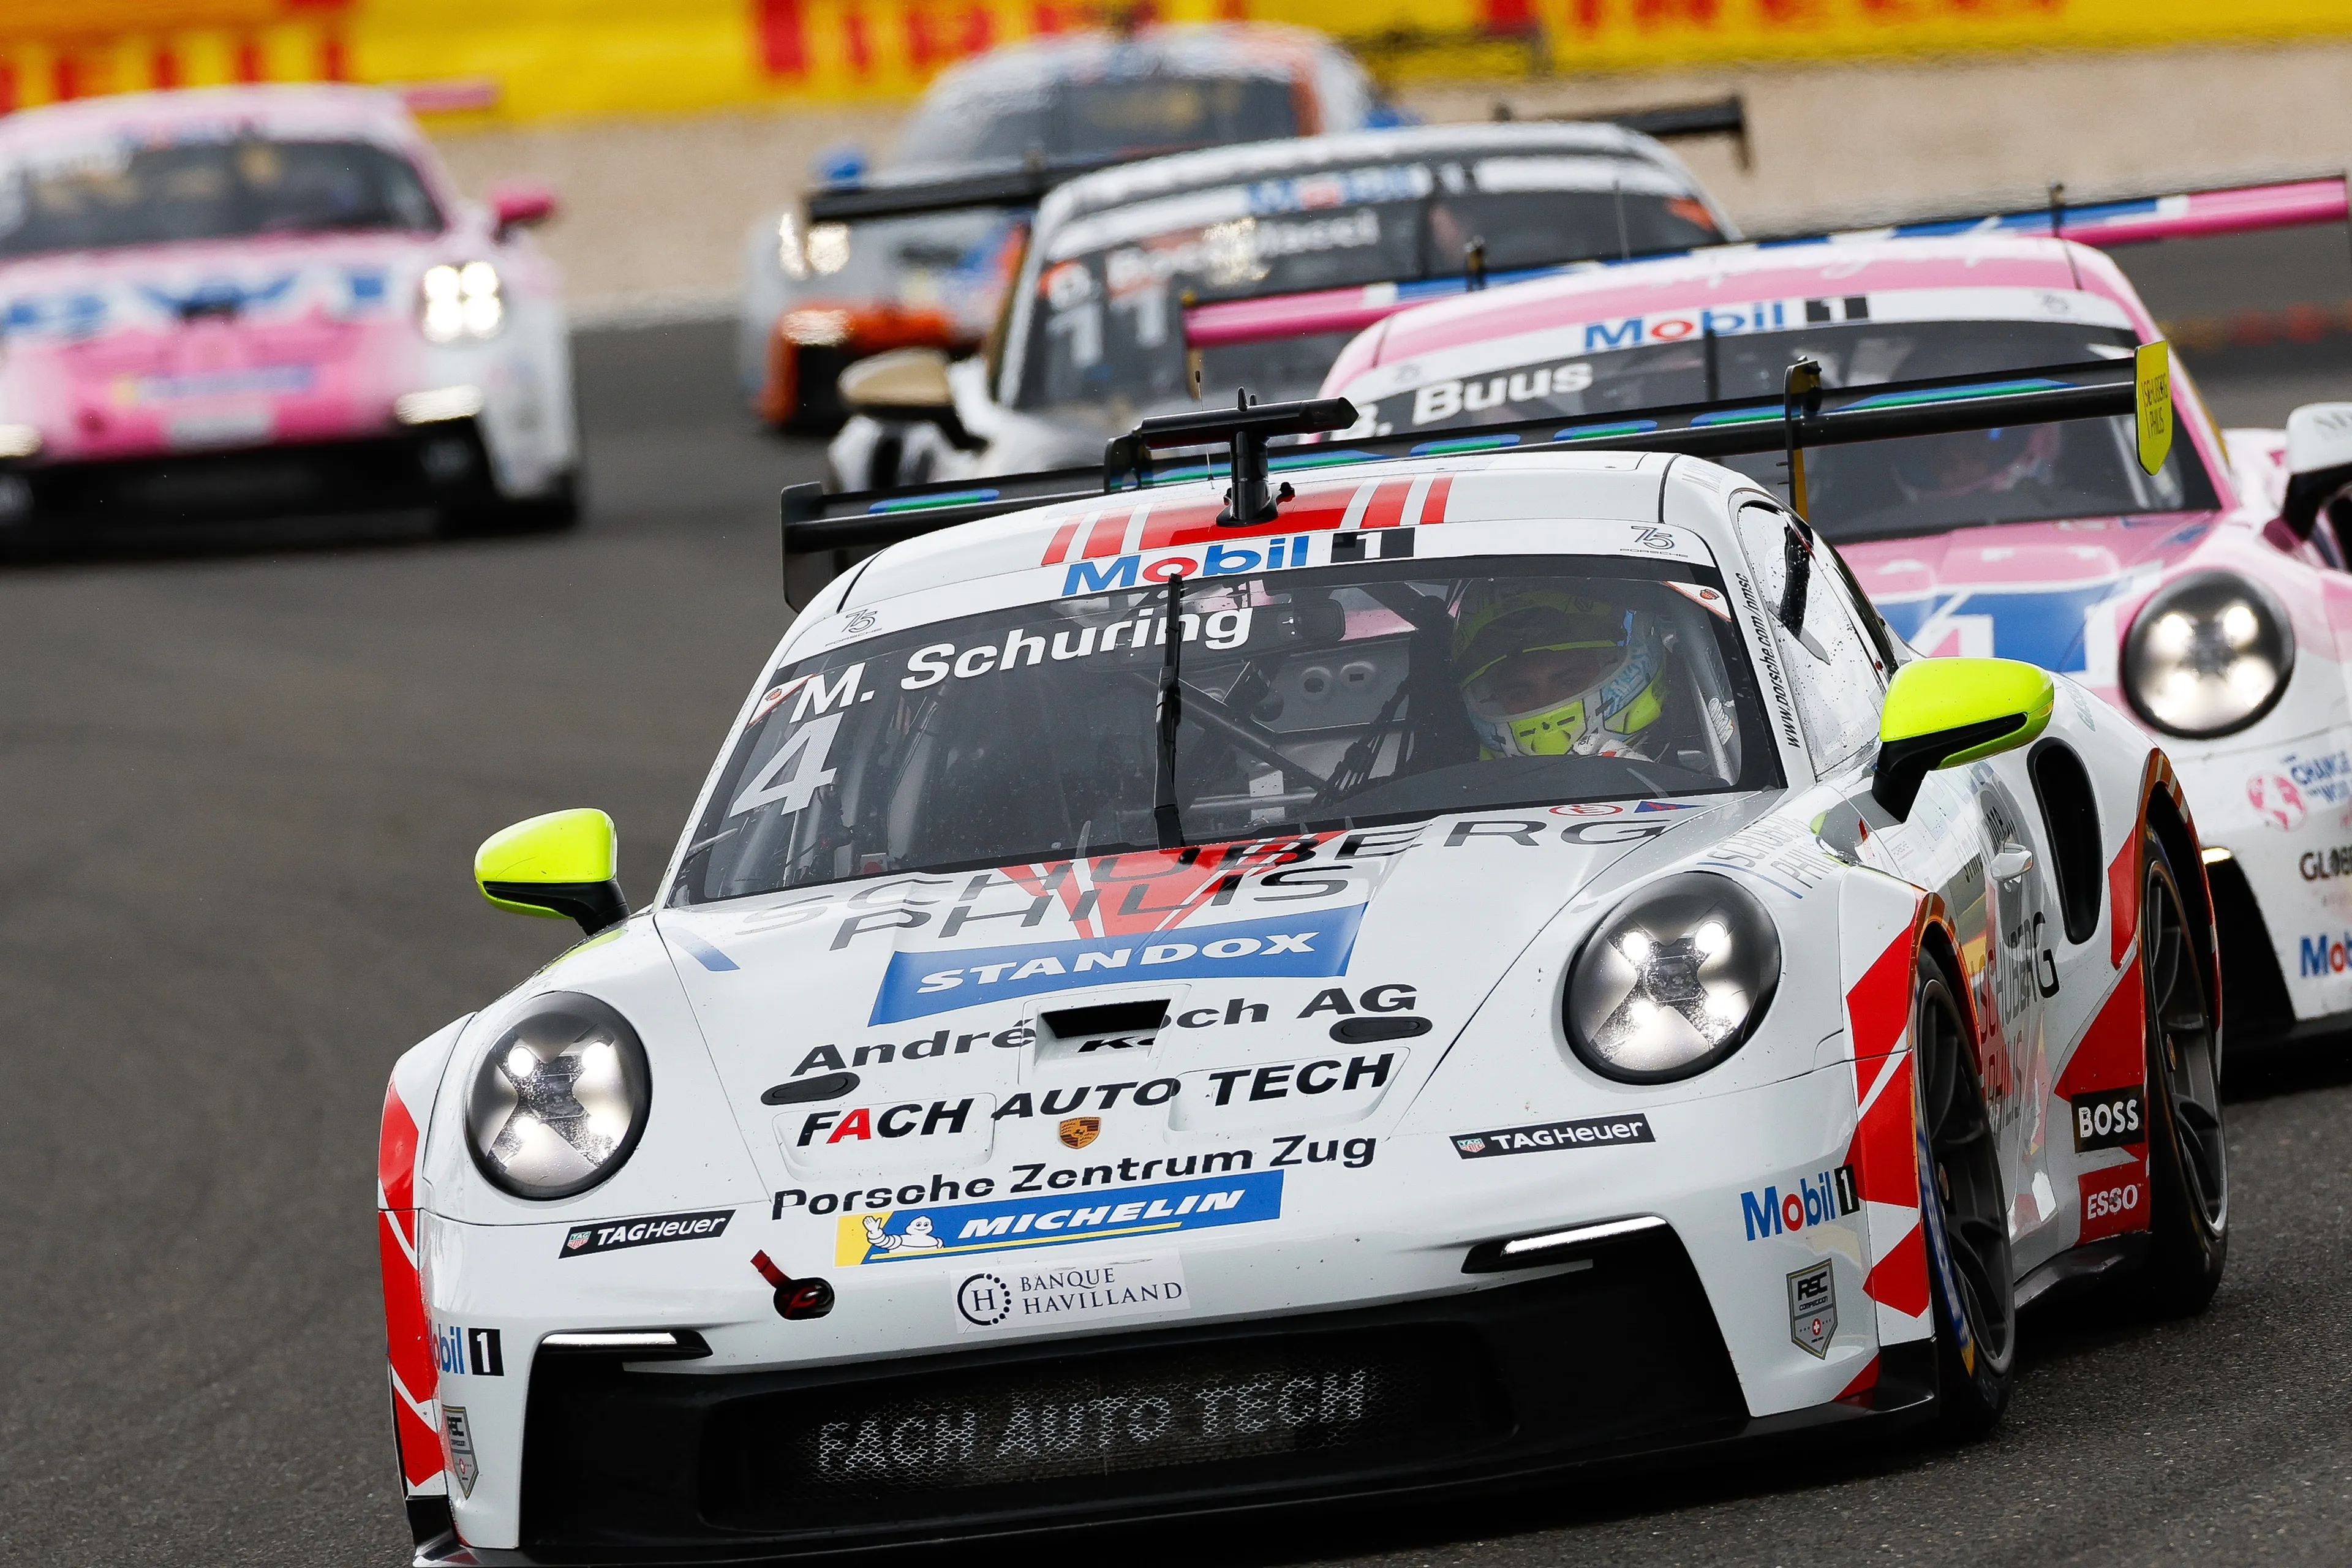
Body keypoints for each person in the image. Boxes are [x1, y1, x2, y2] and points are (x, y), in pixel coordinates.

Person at [1452, 587, 1668, 760]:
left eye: (1569, 683)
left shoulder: (1685, 774)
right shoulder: (1461, 793)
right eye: (1520, 695)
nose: (1545, 704)